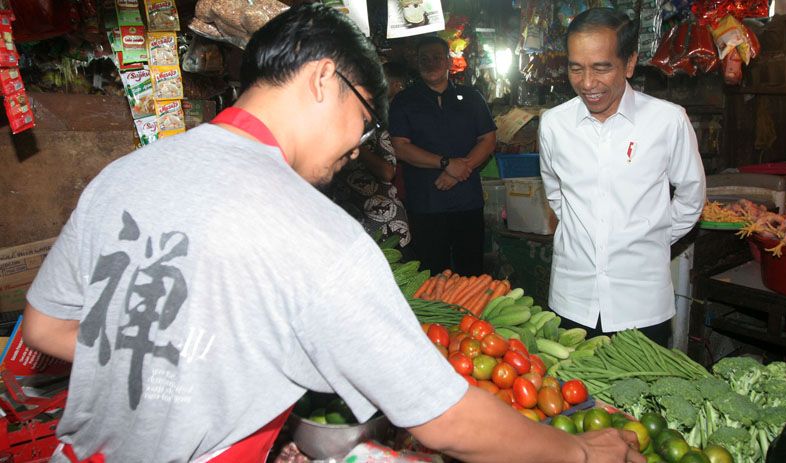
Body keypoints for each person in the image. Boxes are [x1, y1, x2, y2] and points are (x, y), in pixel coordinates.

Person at [21, 4, 643, 463]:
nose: (359, 147)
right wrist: (581, 456)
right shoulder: (318, 233)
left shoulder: (122, 176)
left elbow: (46, 329)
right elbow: (444, 418)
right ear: (324, 80)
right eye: (367, 120)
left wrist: (194, 361)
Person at [538, 7, 706, 346]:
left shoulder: (667, 121)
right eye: (576, 68)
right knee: (572, 395)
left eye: (601, 68)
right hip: (573, 299)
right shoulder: (554, 124)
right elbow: (556, 196)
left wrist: (651, 238)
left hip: (641, 304)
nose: (587, 83)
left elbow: (691, 196)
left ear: (629, 63)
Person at [389, 36, 496, 277]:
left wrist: (459, 170)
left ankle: (473, 316)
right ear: (416, 63)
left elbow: (488, 140)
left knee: (471, 275)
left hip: (467, 202)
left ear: (448, 61)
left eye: (437, 57)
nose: (431, 63)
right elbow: (400, 147)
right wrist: (446, 164)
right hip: (426, 204)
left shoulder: (472, 98)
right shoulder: (404, 101)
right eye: (424, 59)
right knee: (432, 276)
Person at [327, 62, 411, 249]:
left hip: (384, 221)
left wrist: (355, 144)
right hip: (344, 221)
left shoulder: (375, 127)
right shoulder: (325, 128)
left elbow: (388, 172)